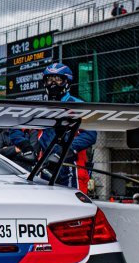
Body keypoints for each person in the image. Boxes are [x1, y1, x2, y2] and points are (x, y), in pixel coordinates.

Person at [37, 63, 97, 192]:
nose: (53, 83)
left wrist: (65, 151)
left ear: (67, 82)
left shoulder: (78, 105)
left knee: (74, 207)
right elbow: (22, 130)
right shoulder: (41, 107)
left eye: (57, 80)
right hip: (45, 165)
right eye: (49, 79)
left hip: (70, 165)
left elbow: (90, 135)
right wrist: (27, 147)